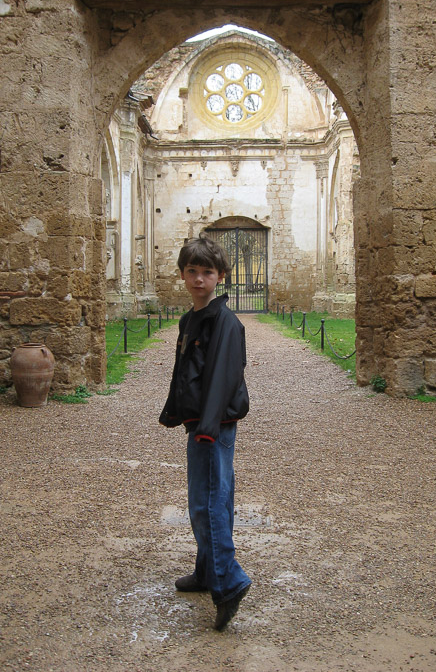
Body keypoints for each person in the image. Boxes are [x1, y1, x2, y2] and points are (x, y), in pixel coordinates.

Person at [159, 235, 252, 631]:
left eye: (207, 272)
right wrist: (176, 412)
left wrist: (208, 429)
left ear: (221, 276)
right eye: (192, 271)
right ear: (182, 274)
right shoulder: (190, 318)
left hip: (212, 427)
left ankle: (229, 582)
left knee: (208, 503)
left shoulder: (225, 322)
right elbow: (185, 372)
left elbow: (222, 377)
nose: (199, 279)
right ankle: (205, 570)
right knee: (213, 498)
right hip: (199, 422)